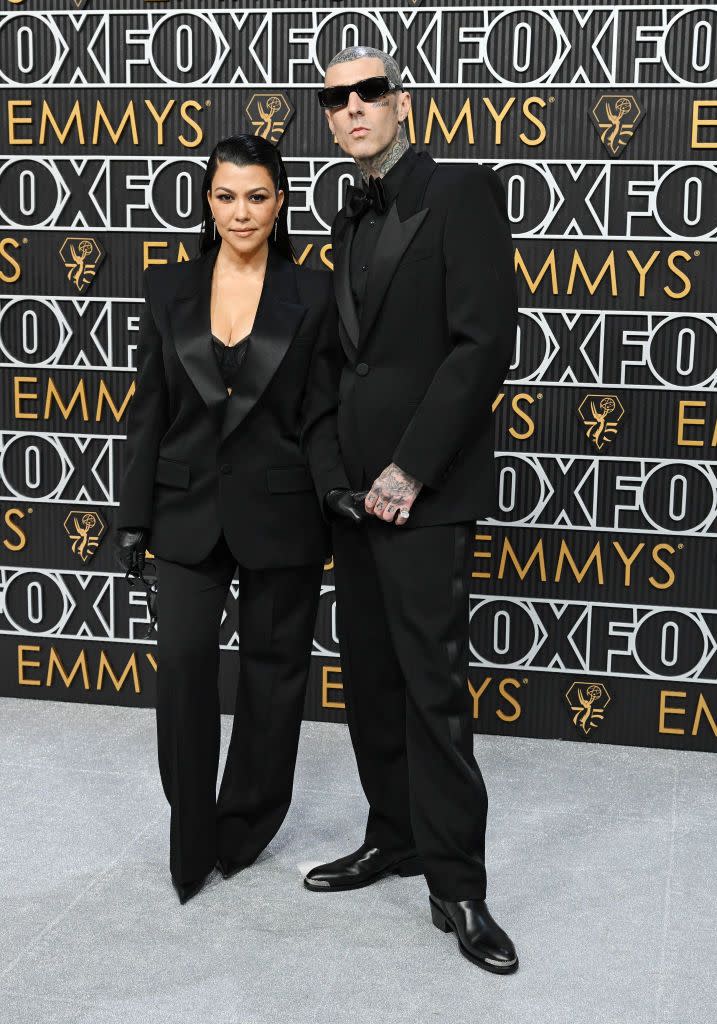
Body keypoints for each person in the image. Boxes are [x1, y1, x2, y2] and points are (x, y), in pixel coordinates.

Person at [303, 47, 520, 974]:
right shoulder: (345, 211)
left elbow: (481, 345)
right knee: (371, 681)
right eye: (334, 99)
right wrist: (336, 476)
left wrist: (408, 471)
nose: (350, 109)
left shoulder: (461, 192)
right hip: (352, 498)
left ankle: (458, 884)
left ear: (402, 102)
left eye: (367, 94)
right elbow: (342, 359)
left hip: (421, 496)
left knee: (432, 690)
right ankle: (391, 836)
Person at [115, 134, 343, 905]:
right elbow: (148, 411)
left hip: (282, 513)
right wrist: (132, 518)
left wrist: (337, 499)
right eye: (225, 195)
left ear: (279, 203)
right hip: (183, 510)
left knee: (274, 680)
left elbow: (322, 414)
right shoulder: (165, 287)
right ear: (206, 203)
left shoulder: (313, 292)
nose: (239, 211)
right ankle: (192, 830)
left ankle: (243, 828)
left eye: (255, 195)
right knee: (181, 667)